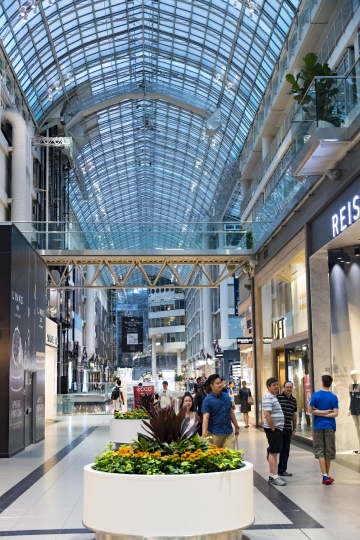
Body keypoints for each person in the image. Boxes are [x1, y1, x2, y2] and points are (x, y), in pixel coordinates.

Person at [309, 374, 339, 485]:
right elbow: (335, 414)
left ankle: (324, 475)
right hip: (330, 426)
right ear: (330, 384)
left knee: (320, 450)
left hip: (318, 426)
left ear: (322, 383)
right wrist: (327, 412)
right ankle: (326, 474)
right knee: (329, 451)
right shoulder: (333, 397)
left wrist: (320, 413)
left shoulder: (315, 396)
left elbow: (310, 410)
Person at [201, 374, 240, 449]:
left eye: (220, 382)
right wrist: (204, 434)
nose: (220, 385)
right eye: (217, 383)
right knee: (215, 458)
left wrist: (236, 426)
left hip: (228, 432)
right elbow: (205, 417)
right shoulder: (207, 400)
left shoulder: (226, 396)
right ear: (211, 385)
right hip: (214, 434)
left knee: (229, 456)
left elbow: (231, 412)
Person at [263, 377, 285, 486]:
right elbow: (267, 414)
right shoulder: (268, 397)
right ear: (268, 386)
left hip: (276, 429)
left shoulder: (273, 397)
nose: (276, 387)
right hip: (273, 429)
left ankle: (272, 475)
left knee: (274, 452)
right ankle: (275, 476)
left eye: (277, 384)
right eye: (274, 385)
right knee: (273, 452)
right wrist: (273, 428)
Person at [277, 381, 297, 477]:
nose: (289, 389)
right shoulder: (278, 398)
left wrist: (294, 428)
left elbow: (294, 415)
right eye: (287, 387)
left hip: (288, 428)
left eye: (290, 387)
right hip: (278, 428)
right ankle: (270, 452)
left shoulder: (293, 400)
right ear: (283, 388)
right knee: (277, 448)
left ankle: (282, 470)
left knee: (285, 450)